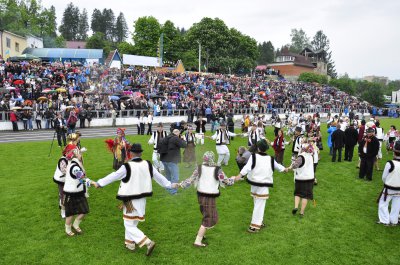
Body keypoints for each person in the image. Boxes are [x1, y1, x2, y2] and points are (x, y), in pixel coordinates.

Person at [93, 144, 178, 255]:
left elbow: (114, 175)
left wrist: (100, 183)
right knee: (133, 222)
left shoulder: (127, 166)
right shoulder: (148, 164)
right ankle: (130, 244)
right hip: (142, 199)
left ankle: (147, 242)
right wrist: (170, 185)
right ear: (141, 153)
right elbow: (159, 177)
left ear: (131, 153)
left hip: (129, 200)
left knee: (128, 224)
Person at [179, 151, 237, 247]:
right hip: (209, 197)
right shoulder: (217, 169)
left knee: (206, 214)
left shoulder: (199, 167)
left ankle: (202, 233)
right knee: (210, 218)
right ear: (213, 158)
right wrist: (233, 179)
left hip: (200, 196)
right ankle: (197, 241)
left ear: (204, 158)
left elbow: (191, 179)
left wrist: (181, 184)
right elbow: (225, 181)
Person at [234, 140, 287, 232]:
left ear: (258, 148)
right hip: (263, 185)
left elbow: (247, 168)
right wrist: (285, 169)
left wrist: (239, 176)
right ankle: (254, 226)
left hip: (254, 184)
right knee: (259, 205)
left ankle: (259, 221)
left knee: (257, 203)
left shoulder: (254, 157)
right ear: (266, 149)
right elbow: (278, 167)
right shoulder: (270, 158)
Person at [63, 144, 92, 236]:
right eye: (79, 153)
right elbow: (82, 179)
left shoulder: (75, 163)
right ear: (75, 154)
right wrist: (94, 184)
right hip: (71, 194)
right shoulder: (74, 166)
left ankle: (76, 224)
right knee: (70, 214)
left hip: (79, 192)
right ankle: (67, 229)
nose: (81, 155)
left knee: (84, 210)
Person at [287, 143, 315, 216]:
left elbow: (295, 165)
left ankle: (296, 207)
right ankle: (302, 212)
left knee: (297, 193)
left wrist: (289, 167)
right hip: (309, 179)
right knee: (305, 196)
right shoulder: (311, 157)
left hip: (300, 178)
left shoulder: (301, 157)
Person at [377, 141, 400, 226]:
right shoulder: (391, 163)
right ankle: (394, 221)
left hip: (389, 187)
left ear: (394, 152)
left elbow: (384, 177)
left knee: (383, 203)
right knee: (396, 205)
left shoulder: (390, 163)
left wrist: (387, 182)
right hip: (399, 189)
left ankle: (384, 220)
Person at [160, 129, 187, 194]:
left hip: (164, 159)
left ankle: (168, 189)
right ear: (177, 133)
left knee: (168, 175)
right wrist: (183, 139)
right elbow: (184, 145)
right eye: (179, 133)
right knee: (175, 177)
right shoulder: (175, 138)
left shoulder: (167, 137)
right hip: (171, 160)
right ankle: (173, 192)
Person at [53, 150, 68, 218]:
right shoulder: (63, 160)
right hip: (61, 180)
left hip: (67, 179)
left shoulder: (71, 158)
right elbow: (64, 171)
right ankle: (63, 211)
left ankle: (63, 204)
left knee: (67, 194)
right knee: (63, 196)